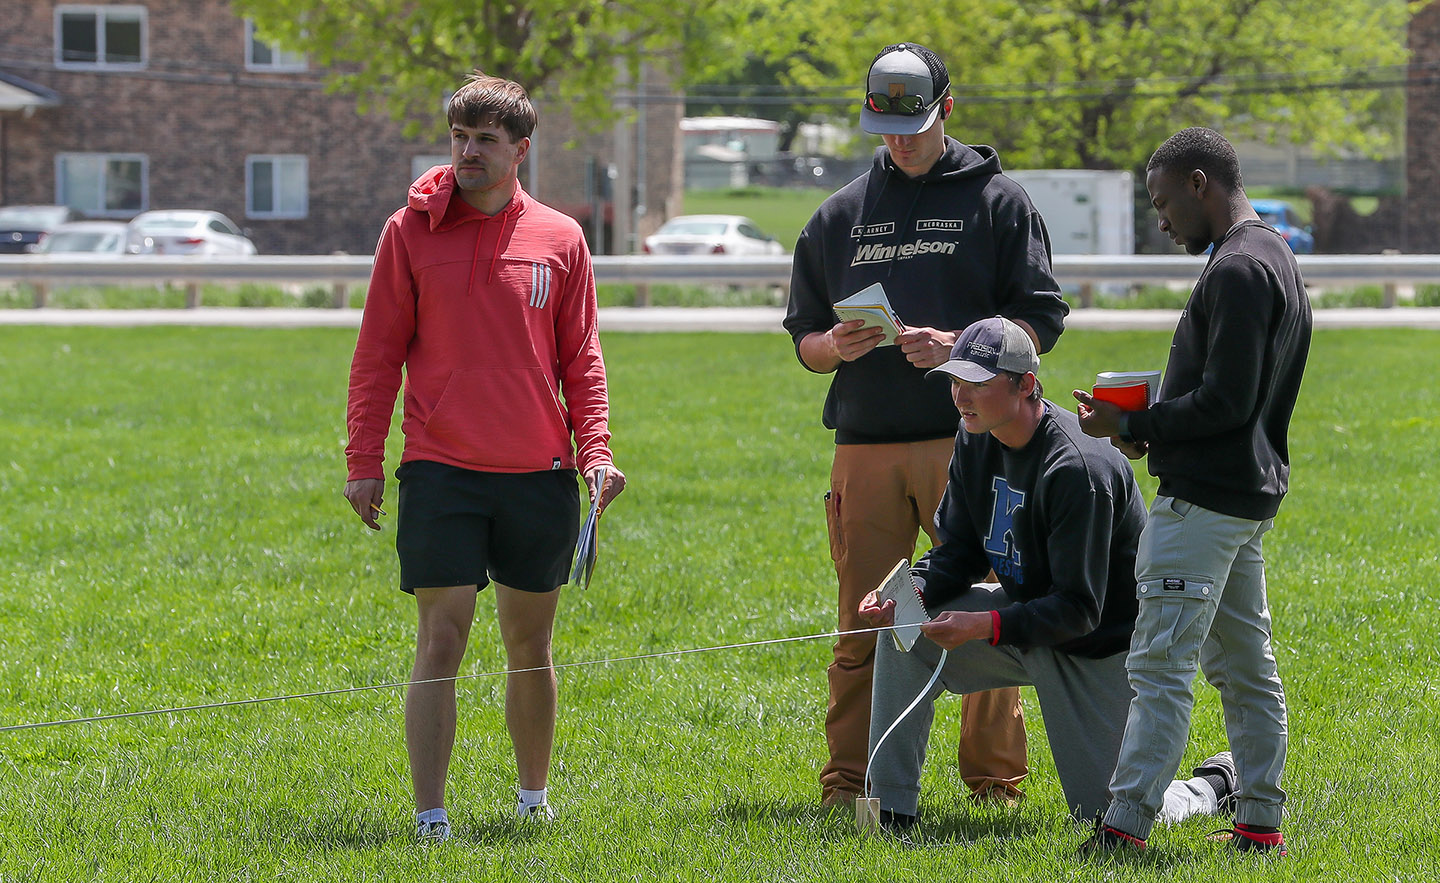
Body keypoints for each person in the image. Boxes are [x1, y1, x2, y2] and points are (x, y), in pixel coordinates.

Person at [783, 41, 1070, 810]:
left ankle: (994, 782)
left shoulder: (1000, 202)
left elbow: (1041, 320)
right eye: (885, 127)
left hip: (970, 442)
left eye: (913, 123)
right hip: (865, 446)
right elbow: (803, 337)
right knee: (866, 620)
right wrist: (830, 346)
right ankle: (851, 783)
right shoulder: (840, 213)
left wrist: (962, 345)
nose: (900, 140)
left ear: (947, 108)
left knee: (982, 607)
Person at [343, 73, 626, 843]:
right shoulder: (410, 231)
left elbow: (583, 359)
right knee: (442, 636)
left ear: (520, 150)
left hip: (540, 472)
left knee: (530, 644)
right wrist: (363, 458)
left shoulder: (561, 238)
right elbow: (377, 355)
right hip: (440, 469)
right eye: (459, 138)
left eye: (486, 141)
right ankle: (430, 816)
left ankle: (533, 798)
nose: (468, 152)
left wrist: (595, 451)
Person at [860, 317, 1236, 830]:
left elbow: (1081, 609)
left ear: (1026, 385)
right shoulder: (976, 435)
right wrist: (911, 591)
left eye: (978, 383)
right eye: (955, 381)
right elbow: (962, 550)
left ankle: (1209, 786)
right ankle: (890, 810)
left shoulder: (1079, 468)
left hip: (1099, 647)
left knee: (1107, 815)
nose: (961, 396)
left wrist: (984, 626)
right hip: (1024, 621)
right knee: (903, 632)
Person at [1073, 127, 1311, 856]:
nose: (1161, 218)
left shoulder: (1237, 269)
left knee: (1160, 667)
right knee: (1245, 667)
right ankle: (1260, 821)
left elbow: (1227, 402)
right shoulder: (1275, 255)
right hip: (1243, 498)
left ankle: (1124, 828)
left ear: (1200, 182)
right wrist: (1149, 424)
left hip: (1203, 506)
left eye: (1163, 201)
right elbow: (1228, 396)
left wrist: (1136, 421)